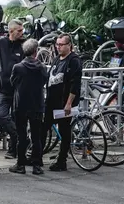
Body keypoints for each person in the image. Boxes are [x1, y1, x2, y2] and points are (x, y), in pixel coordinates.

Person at [44, 33, 83, 172]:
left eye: (61, 45)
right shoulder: (56, 59)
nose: (58, 47)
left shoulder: (74, 60)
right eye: (57, 44)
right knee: (44, 127)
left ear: (69, 45)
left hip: (64, 103)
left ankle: (62, 160)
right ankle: (37, 156)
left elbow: (75, 84)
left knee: (64, 131)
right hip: (52, 102)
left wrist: (69, 103)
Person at [9, 39, 47, 176]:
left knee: (22, 135)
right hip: (37, 104)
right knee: (36, 136)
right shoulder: (41, 68)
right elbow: (44, 81)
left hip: (21, 105)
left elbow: (13, 82)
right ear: (35, 52)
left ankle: (20, 163)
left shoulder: (18, 67)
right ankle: (37, 164)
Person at [0, 19, 24, 160]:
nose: (22, 33)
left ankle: (13, 149)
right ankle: (19, 137)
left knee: (18, 118)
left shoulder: (23, 45)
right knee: (1, 116)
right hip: (4, 89)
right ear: (11, 31)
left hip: (19, 89)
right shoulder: (0, 43)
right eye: (19, 31)